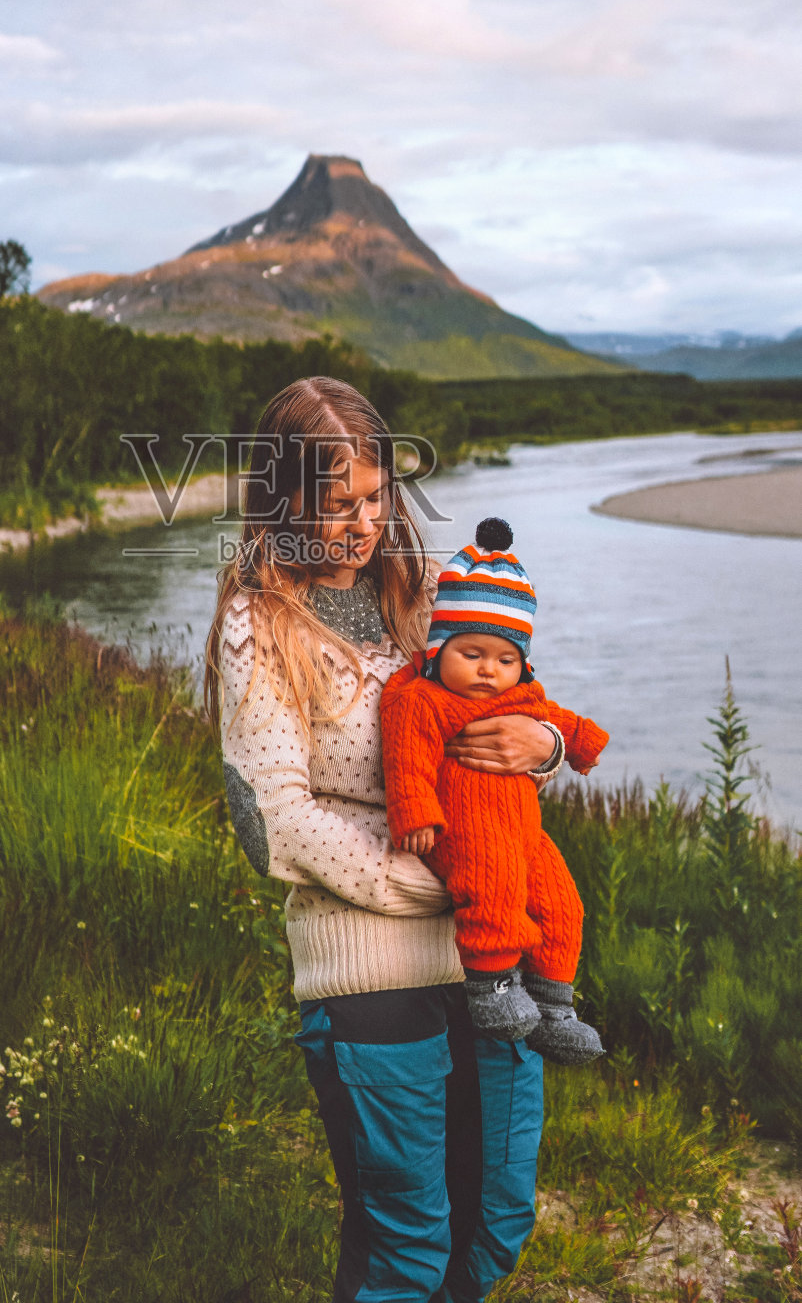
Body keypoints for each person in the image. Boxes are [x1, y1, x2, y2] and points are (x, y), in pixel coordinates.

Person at [205, 377, 569, 1303]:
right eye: (335, 506)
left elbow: (501, 715)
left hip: (484, 962)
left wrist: (548, 746)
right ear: (283, 499)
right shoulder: (258, 622)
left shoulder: (420, 602)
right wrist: (444, 884)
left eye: (375, 500)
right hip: (366, 977)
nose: (360, 525)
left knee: (494, 1225)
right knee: (403, 1249)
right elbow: (275, 826)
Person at [380, 516, 608, 1065]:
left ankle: (554, 1006)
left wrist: (579, 741)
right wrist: (414, 814)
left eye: (506, 659)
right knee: (493, 888)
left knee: (562, 903)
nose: (489, 671)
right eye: (472, 654)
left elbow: (555, 718)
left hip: (523, 832)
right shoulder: (423, 700)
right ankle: (493, 986)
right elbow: (405, 758)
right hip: (463, 831)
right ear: (439, 649)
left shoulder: (520, 696)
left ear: (522, 664)